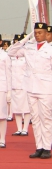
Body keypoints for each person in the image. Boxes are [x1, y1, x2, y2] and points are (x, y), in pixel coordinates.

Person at [9, 22, 52, 159]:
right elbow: (11, 51)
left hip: (45, 88)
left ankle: (47, 147)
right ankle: (39, 146)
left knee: (46, 118)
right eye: (36, 33)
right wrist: (27, 38)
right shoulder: (29, 48)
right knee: (35, 118)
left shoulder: (50, 49)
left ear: (47, 34)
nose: (38, 35)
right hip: (31, 86)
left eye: (40, 33)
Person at [7, 34, 30, 136]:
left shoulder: (27, 53)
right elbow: (10, 51)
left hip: (25, 84)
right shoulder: (12, 55)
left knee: (26, 108)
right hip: (14, 84)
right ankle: (19, 128)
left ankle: (25, 129)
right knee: (16, 108)